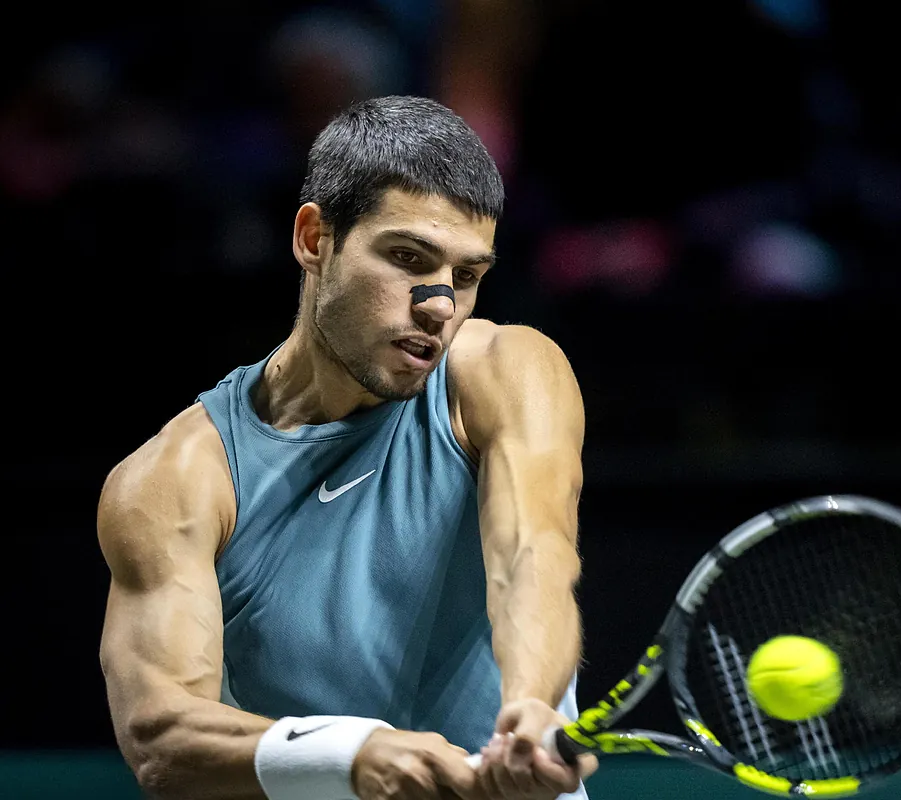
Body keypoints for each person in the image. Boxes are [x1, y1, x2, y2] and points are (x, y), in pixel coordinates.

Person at [97, 95, 597, 800]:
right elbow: (159, 737)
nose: (439, 305)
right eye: (408, 258)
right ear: (314, 239)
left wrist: (531, 705)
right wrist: (350, 753)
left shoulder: (505, 371)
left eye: (466, 276)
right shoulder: (175, 480)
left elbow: (532, 554)